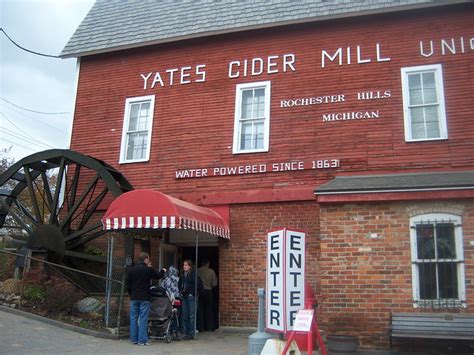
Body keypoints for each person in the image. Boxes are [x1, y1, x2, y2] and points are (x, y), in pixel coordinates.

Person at [126, 252, 166, 346]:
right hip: (144, 297)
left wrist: (131, 294)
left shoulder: (132, 270)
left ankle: (134, 339)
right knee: (143, 319)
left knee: (133, 318)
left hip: (134, 297)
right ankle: (142, 340)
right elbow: (158, 276)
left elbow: (128, 284)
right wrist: (163, 270)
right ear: (146, 259)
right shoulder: (148, 270)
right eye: (148, 258)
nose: (149, 260)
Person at [179, 259, 199, 340]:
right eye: (184, 265)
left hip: (191, 297)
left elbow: (196, 285)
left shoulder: (193, 274)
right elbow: (180, 284)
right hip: (184, 296)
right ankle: (186, 332)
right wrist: (180, 290)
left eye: (186, 265)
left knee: (191, 315)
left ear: (190, 266)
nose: (184, 267)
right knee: (185, 315)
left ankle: (191, 333)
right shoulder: (183, 275)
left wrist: (192, 293)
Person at [197, 258, 217, 331]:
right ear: (208, 263)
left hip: (200, 291)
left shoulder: (198, 271)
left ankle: (201, 327)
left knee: (200, 309)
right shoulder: (211, 271)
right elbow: (214, 283)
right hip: (208, 291)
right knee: (209, 309)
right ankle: (209, 326)